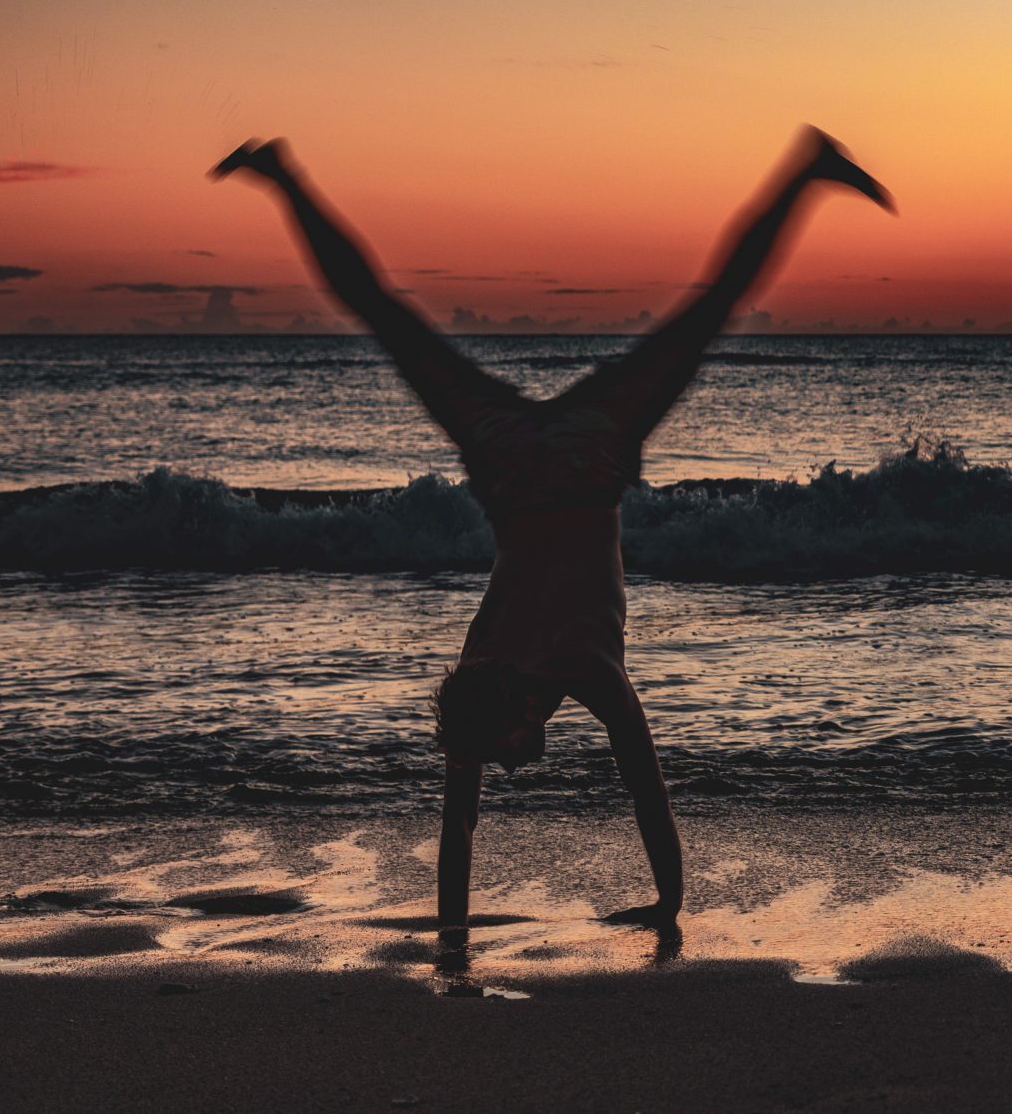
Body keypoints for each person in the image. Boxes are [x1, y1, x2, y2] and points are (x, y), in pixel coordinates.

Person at [210, 128, 890, 941]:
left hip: (589, 456)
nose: (507, 766)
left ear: (517, 712)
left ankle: (281, 176)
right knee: (393, 319)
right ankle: (281, 175)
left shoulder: (583, 668)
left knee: (701, 314)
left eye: (501, 753)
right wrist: (452, 940)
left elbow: (643, 788)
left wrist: (669, 907)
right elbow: (463, 817)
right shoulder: (481, 659)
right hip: (505, 461)